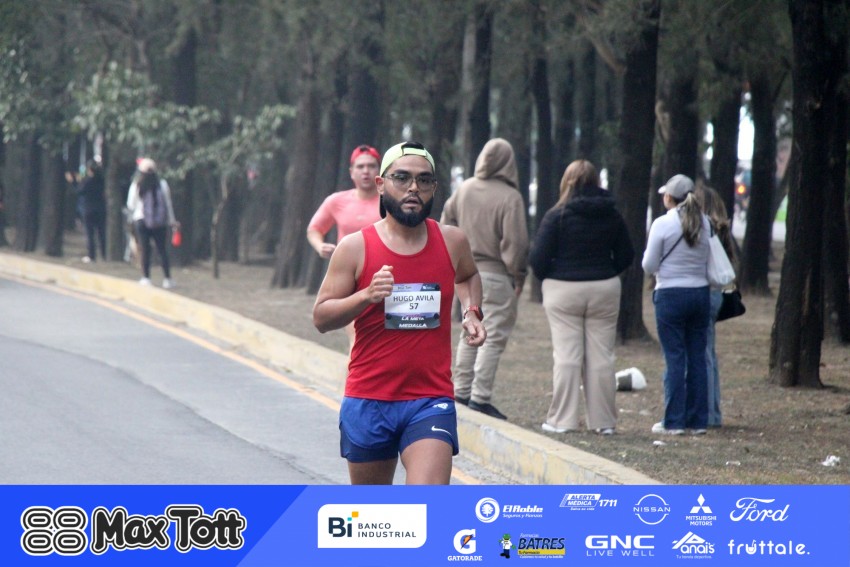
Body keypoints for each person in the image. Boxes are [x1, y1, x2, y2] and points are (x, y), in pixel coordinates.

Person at [312, 141, 486, 485]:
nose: (413, 188)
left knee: (427, 505)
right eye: (402, 178)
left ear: (434, 188)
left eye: (424, 180)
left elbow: (468, 276)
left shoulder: (452, 241)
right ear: (381, 184)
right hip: (369, 397)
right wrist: (366, 295)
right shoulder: (355, 247)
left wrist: (471, 311)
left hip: (429, 399)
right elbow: (321, 318)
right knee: (375, 512)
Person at [529, 159, 634, 435]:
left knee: (567, 356)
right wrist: (607, 270)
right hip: (604, 287)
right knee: (602, 357)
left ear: (567, 182)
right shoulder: (612, 214)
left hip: (563, 290)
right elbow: (627, 254)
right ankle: (604, 422)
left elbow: (537, 259)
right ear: (596, 181)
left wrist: (554, 274)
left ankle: (562, 420)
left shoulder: (557, 215)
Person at [440, 138, 528, 420]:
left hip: (465, 274)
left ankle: (460, 392)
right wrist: (518, 275)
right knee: (492, 336)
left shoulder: (464, 189)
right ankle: (480, 397)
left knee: (469, 331)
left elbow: (445, 225)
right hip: (496, 274)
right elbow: (516, 243)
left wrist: (454, 261)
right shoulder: (510, 197)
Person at [642, 174, 711, 435]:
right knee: (697, 358)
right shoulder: (705, 223)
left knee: (675, 358)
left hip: (670, 295)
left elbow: (649, 265)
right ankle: (698, 420)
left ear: (669, 197)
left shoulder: (662, 224)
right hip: (700, 294)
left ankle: (674, 421)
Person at [307, 145, 383, 349]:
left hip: (385, 277)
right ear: (351, 172)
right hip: (350, 280)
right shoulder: (337, 201)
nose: (366, 171)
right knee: (358, 338)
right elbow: (314, 229)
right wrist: (320, 246)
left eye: (371, 166)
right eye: (360, 167)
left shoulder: (390, 201)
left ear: (380, 171)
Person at [696, 182, 737, 428]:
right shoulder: (721, 229)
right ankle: (714, 412)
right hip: (716, 295)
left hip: (704, 292)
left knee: (703, 356)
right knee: (709, 354)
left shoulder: (702, 228)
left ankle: (708, 415)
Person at [126, 158, 179, 288]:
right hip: (160, 222)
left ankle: (146, 278)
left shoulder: (137, 184)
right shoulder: (163, 184)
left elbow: (131, 204)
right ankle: (167, 279)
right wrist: (172, 221)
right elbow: (168, 204)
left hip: (141, 220)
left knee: (145, 249)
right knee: (162, 250)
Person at [75, 159, 107, 263]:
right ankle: (104, 254)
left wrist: (77, 181)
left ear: (89, 170)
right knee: (101, 233)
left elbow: (79, 191)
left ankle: (91, 255)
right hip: (101, 209)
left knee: (90, 234)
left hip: (89, 209)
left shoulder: (87, 181)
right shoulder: (102, 181)